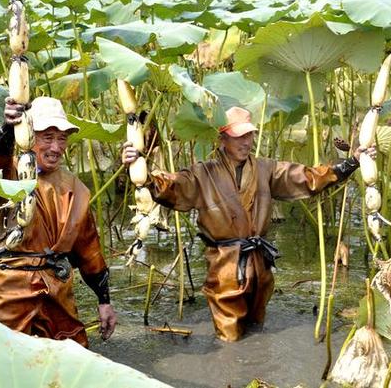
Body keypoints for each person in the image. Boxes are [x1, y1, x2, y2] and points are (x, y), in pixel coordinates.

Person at [122, 106, 373, 342]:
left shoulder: (265, 169)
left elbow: (306, 177)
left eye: (249, 136)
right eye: (238, 136)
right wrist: (140, 170)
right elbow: (171, 185)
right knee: (229, 341)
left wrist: (351, 162)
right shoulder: (202, 174)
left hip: (259, 263)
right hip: (224, 265)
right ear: (222, 139)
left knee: (258, 332)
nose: (246, 142)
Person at [0, 96, 116, 347]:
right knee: (2, 361)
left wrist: (104, 300)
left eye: (62, 138)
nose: (55, 147)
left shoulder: (75, 189)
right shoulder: (6, 174)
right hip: (8, 287)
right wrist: (7, 128)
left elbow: (89, 251)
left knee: (74, 357)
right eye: (47, 137)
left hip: (56, 286)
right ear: (29, 136)